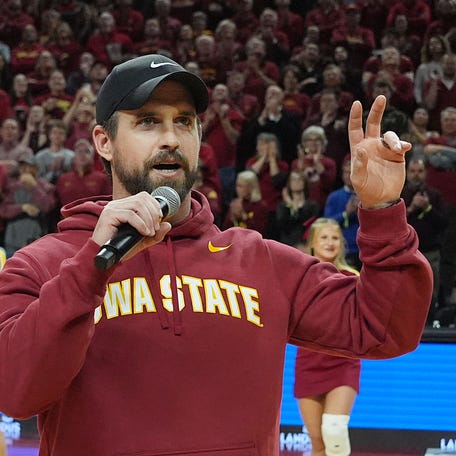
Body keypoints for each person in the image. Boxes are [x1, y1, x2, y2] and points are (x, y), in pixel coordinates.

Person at [0, 54, 432, 456]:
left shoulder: (260, 261)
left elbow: (384, 328)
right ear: (104, 141)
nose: (171, 138)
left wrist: (380, 210)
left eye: (184, 121)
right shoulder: (43, 265)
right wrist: (91, 266)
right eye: (148, 122)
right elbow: (15, 392)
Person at [294, 217, 360, 456]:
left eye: (334, 238)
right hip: (309, 363)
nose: (330, 243)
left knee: (334, 430)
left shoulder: (352, 277)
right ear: (312, 242)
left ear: (342, 243)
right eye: (324, 237)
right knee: (318, 443)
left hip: (343, 362)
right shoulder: (298, 276)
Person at [222, 169, 269, 235]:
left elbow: (259, 232)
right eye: (237, 185)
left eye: (240, 186)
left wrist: (243, 217)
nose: (237, 189)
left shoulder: (260, 206)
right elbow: (225, 229)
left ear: (251, 187)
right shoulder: (236, 203)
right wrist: (232, 218)